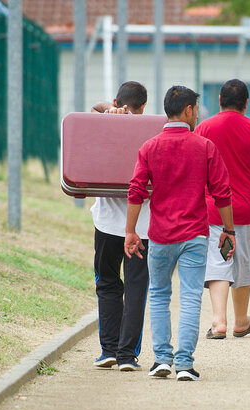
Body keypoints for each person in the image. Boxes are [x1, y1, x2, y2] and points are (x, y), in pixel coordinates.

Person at [125, 85, 236, 382]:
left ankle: (162, 359)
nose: (198, 115)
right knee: (189, 298)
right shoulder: (204, 146)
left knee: (159, 296)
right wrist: (228, 230)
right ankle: (184, 364)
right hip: (195, 237)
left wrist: (130, 231)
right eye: (197, 109)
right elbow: (222, 193)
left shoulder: (149, 147)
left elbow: (136, 191)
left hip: (160, 236)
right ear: (188, 110)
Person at [194, 79, 250, 340]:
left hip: (212, 210)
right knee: (242, 262)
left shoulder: (203, 128)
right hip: (245, 211)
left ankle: (219, 321)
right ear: (246, 103)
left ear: (219, 101)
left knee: (218, 261)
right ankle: (241, 321)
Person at [89, 81, 151, 372]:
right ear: (144, 107)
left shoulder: (104, 123)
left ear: (118, 101)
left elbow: (94, 108)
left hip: (105, 224)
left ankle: (108, 351)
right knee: (136, 287)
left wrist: (109, 109)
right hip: (142, 227)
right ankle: (128, 355)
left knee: (107, 284)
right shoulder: (152, 131)